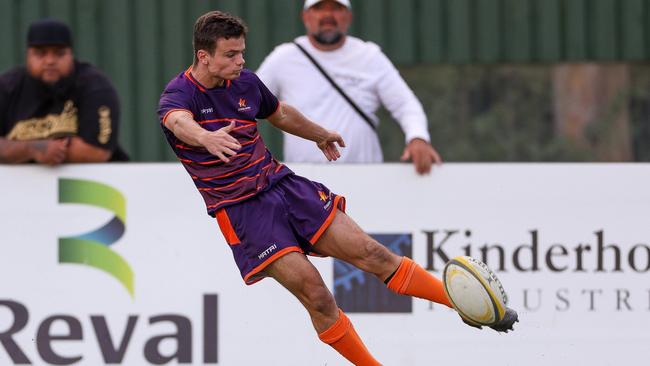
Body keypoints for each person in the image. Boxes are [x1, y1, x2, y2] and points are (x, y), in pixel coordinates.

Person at [159, 11, 517, 365]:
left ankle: (470, 306)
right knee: (318, 296)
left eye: (241, 52)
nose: (241, 61)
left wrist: (320, 133)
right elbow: (178, 122)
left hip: (283, 186)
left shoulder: (246, 83)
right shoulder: (179, 94)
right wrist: (206, 138)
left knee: (374, 254)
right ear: (204, 56)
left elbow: (279, 113)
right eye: (231, 55)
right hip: (244, 211)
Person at [256, 0, 440, 175]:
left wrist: (418, 137)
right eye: (319, 8)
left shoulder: (369, 56)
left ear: (349, 16)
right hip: (304, 181)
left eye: (336, 8)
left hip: (365, 176)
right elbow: (248, 101)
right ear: (305, 16)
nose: (328, 15)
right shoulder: (283, 57)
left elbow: (404, 103)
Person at [0, 19, 129, 165]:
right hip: (16, 185)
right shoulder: (7, 87)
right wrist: (34, 149)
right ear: (27, 55)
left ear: (71, 55)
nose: (50, 61)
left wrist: (16, 151)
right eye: (40, 54)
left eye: (59, 53)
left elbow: (96, 150)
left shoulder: (95, 86)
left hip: (91, 184)